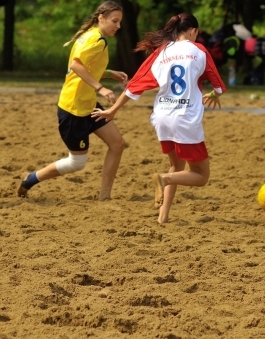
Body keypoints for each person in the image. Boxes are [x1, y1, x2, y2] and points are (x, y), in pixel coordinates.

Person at [92, 13, 226, 224]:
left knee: (176, 167)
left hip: (162, 117)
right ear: (193, 31)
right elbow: (218, 86)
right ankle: (163, 179)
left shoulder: (161, 51)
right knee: (201, 176)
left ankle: (163, 216)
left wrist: (113, 111)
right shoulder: (199, 50)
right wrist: (214, 95)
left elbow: (134, 85)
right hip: (184, 118)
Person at [16, 0, 129, 201]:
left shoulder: (91, 35)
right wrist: (101, 88)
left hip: (87, 104)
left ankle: (104, 196)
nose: (118, 26)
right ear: (101, 18)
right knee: (77, 163)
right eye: (115, 21)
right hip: (73, 109)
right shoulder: (96, 40)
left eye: (120, 21)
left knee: (117, 144)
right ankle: (31, 179)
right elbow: (76, 66)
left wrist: (108, 73)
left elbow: (86, 66)